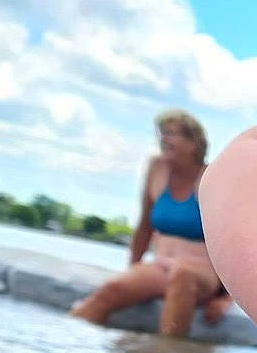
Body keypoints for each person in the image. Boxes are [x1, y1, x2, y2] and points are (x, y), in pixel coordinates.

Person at [70, 111, 231, 338]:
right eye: (161, 134)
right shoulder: (157, 168)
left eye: (171, 134)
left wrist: (226, 298)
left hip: (200, 273)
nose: (163, 139)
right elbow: (144, 225)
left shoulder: (211, 178)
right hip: (161, 266)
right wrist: (133, 267)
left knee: (182, 276)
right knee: (109, 291)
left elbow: (232, 242)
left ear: (194, 142)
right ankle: (64, 347)